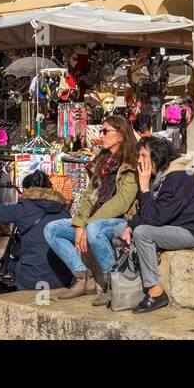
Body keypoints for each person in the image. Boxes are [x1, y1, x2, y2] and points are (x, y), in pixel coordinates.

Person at [44, 114, 139, 300]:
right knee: (52, 229)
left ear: (120, 135)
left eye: (105, 131)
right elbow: (88, 196)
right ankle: (83, 277)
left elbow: (122, 201)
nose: (101, 135)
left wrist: (88, 225)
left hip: (121, 221)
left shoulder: (131, 164)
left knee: (95, 230)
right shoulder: (101, 163)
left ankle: (112, 284)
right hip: (93, 220)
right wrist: (80, 224)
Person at [117, 135, 194, 314]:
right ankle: (120, 284)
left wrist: (144, 189)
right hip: (169, 226)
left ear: (156, 157)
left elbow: (154, 219)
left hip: (191, 231)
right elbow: (145, 212)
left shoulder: (179, 177)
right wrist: (129, 226)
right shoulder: (159, 176)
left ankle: (155, 290)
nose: (139, 160)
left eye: (143, 156)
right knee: (120, 228)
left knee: (143, 232)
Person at [0, 169, 74, 291]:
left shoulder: (25, 208)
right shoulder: (63, 210)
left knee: (9, 267)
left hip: (33, 281)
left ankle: (7, 298)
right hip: (62, 279)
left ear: (27, 190)